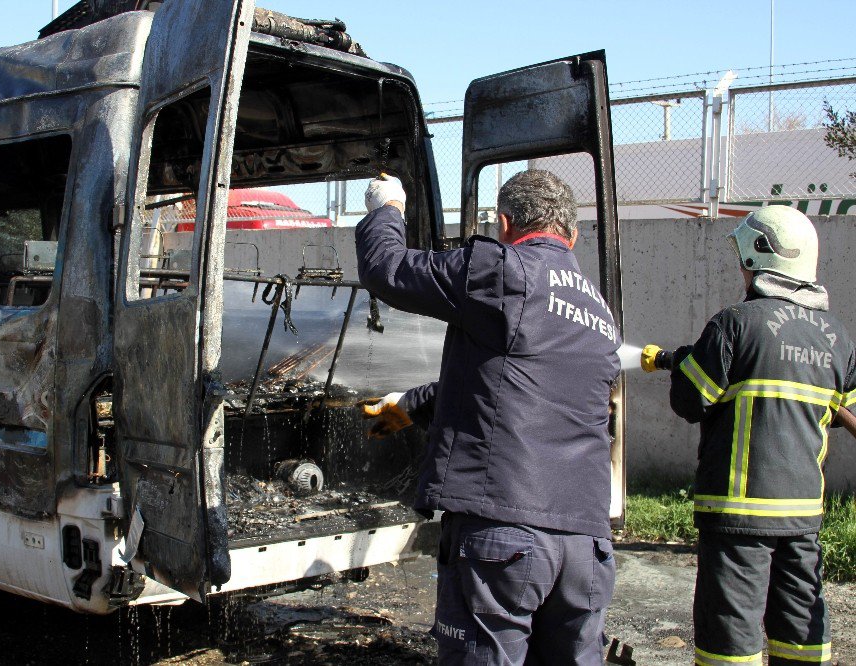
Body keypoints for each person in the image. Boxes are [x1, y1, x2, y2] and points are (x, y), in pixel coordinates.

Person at [357, 170, 620, 664]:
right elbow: (519, 384)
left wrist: (386, 207)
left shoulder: (504, 272)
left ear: (504, 223)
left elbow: (385, 267)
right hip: (586, 545)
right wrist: (413, 406)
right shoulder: (599, 310)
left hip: (506, 536)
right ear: (574, 234)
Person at [666, 206, 854, 665]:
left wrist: (686, 362)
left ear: (757, 257)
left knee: (729, 642)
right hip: (802, 518)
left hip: (737, 519)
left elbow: (689, 402)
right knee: (800, 636)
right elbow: (840, 414)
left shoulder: (734, 323)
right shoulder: (836, 337)